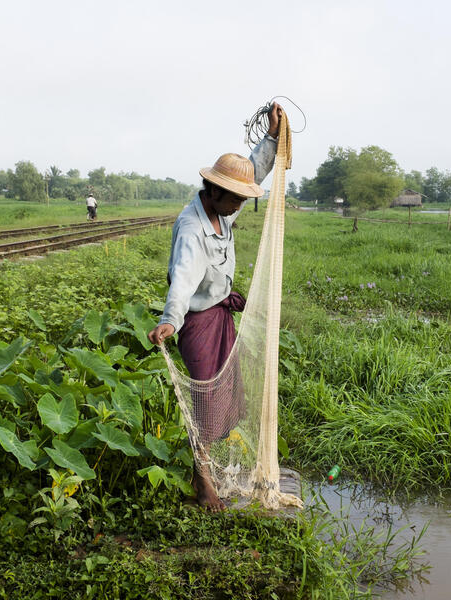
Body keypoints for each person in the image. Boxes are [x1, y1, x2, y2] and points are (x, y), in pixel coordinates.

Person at [148, 103, 283, 512]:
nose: (240, 205)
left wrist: (273, 138)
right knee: (206, 403)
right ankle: (204, 481)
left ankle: (200, 467)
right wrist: (170, 321)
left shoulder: (223, 207)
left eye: (244, 199)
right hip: (198, 322)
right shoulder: (192, 231)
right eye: (236, 199)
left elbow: (253, 172)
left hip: (220, 314)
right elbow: (183, 282)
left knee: (223, 397)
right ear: (215, 191)